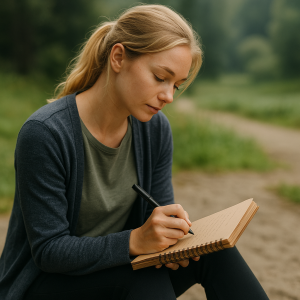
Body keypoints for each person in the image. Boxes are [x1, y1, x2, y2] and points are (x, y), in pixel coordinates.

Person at [0, 4, 269, 300]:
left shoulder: (154, 129)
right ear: (118, 57)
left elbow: (159, 213)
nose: (168, 96)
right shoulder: (45, 133)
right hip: (45, 283)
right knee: (142, 283)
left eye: (176, 86)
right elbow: (49, 251)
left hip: (119, 265)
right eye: (159, 77)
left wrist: (171, 240)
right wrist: (135, 240)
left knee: (217, 253)